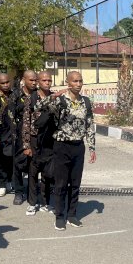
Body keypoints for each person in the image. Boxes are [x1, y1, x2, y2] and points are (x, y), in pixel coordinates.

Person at [51, 71, 96, 230]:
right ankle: (59, 216)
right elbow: (38, 108)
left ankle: (72, 214)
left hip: (78, 147)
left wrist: (92, 147)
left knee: (75, 183)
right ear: (68, 83)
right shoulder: (60, 101)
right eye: (75, 81)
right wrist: (54, 96)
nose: (78, 84)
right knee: (61, 183)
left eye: (80, 81)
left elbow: (90, 125)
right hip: (62, 146)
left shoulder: (86, 102)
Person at [22, 71, 60, 216]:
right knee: (33, 172)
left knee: (48, 173)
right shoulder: (31, 98)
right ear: (38, 81)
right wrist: (26, 145)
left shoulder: (55, 97)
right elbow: (26, 122)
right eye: (44, 80)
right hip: (34, 139)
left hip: (50, 140)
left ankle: (45, 202)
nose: (47, 83)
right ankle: (32, 203)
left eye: (49, 80)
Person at [10, 70, 37, 205]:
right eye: (31, 80)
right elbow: (11, 116)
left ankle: (32, 192)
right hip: (19, 134)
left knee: (33, 163)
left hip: (35, 134)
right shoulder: (15, 94)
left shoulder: (38, 94)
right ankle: (18, 192)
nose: (33, 82)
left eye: (35, 80)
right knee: (18, 164)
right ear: (23, 80)